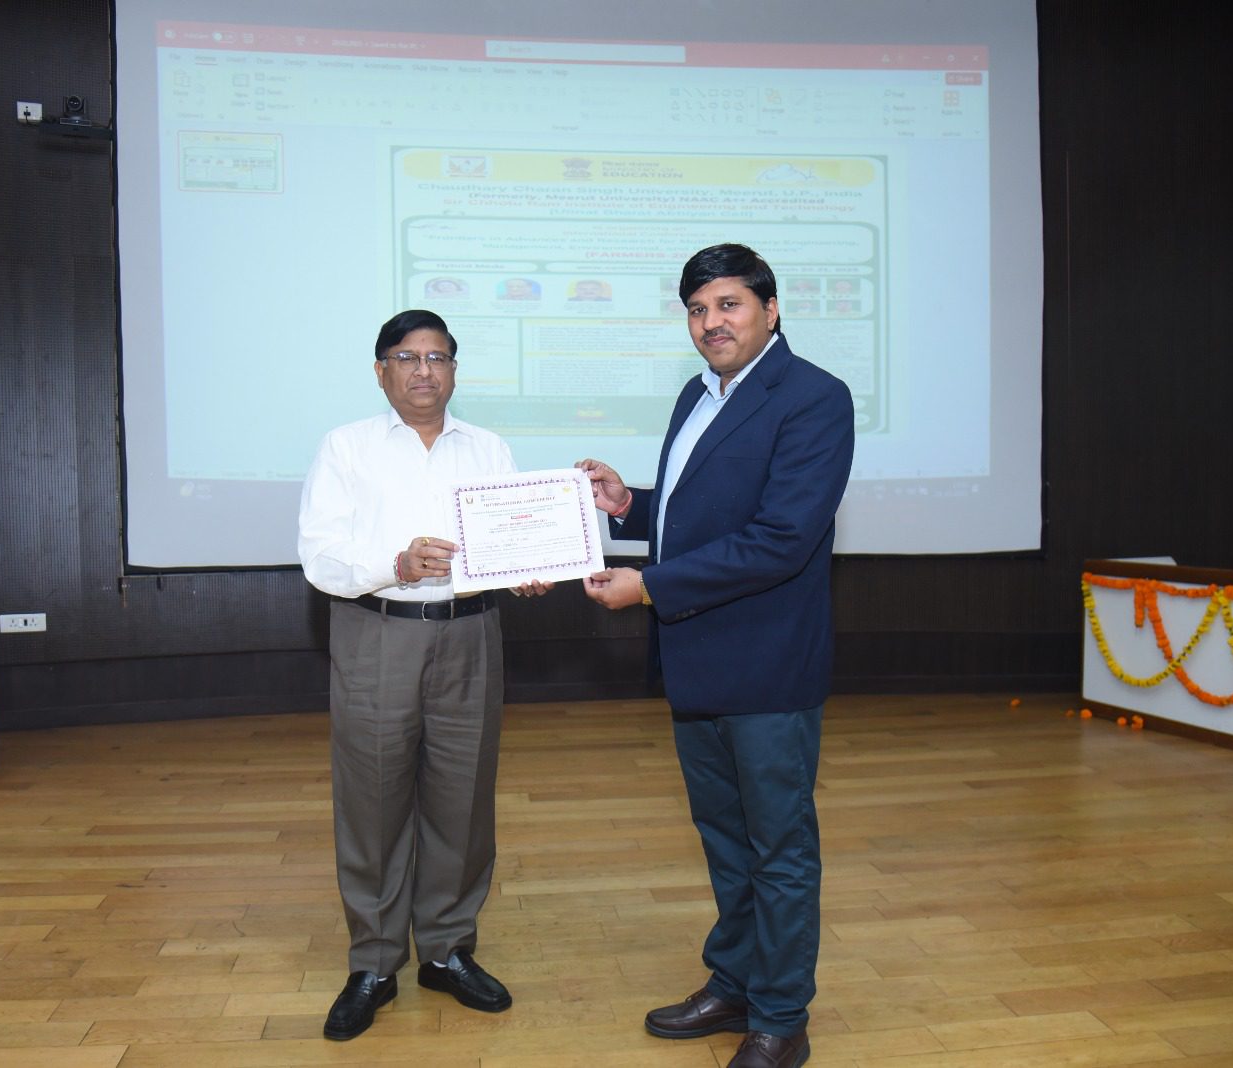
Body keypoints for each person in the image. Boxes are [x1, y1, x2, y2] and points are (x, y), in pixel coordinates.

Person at [576, 244, 853, 1068]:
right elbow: (700, 512)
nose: (710, 323)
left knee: (779, 850)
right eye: (698, 309)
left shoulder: (814, 397)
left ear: (771, 309)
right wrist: (629, 506)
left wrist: (650, 586)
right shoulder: (696, 394)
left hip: (767, 666)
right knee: (727, 840)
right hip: (696, 661)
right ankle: (735, 981)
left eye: (728, 305)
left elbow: (780, 538)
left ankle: (781, 1018)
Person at [298, 309, 549, 1041]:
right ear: (381, 371)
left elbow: (510, 540)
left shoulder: (489, 448)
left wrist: (526, 568)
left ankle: (446, 951)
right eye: (407, 358)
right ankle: (375, 963)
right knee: (373, 800)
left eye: (437, 358)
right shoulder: (345, 446)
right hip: (378, 631)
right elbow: (320, 554)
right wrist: (397, 564)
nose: (423, 371)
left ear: (454, 372)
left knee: (462, 800)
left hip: (471, 634)